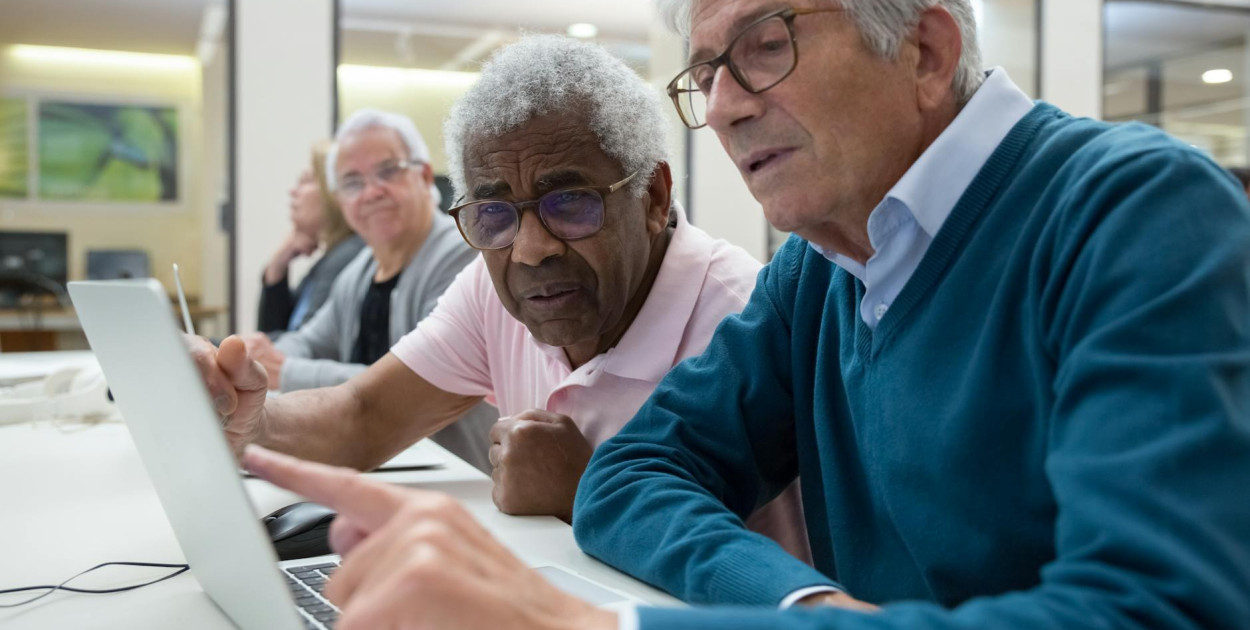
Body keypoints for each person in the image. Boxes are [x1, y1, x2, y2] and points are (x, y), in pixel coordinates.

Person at [237, 1, 1250, 629]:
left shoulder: (1135, 212)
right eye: (705, 72)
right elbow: (635, 473)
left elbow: (1151, 612)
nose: (721, 104)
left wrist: (586, 629)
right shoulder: (819, 271)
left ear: (927, 50)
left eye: (762, 46)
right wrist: (802, 604)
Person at [192, 36, 807, 556]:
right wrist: (251, 414)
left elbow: (771, 579)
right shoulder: (495, 291)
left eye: (570, 203)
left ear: (651, 197)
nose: (531, 249)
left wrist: (587, 487)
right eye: (492, 213)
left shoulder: (743, 318)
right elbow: (363, 417)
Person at [239, 108, 495, 472]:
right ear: (342, 203)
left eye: (388, 171)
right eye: (353, 182)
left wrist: (286, 371)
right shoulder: (358, 272)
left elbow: (410, 384)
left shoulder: (466, 258)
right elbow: (310, 341)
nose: (372, 192)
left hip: (460, 480)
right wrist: (259, 363)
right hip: (381, 468)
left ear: (424, 176)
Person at [257, 140, 365, 336]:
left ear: (334, 192)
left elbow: (296, 350)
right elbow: (276, 335)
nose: (293, 191)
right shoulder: (331, 257)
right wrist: (277, 266)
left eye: (306, 181)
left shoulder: (349, 255)